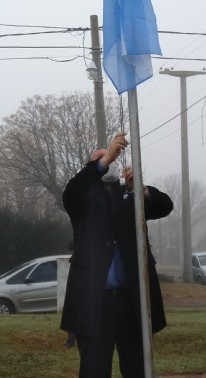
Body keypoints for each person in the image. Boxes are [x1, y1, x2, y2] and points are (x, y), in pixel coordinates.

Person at [61, 133, 174, 378]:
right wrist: (100, 164)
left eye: (111, 159)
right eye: (101, 159)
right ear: (91, 166)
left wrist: (141, 190)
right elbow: (71, 192)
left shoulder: (129, 196)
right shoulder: (82, 199)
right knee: (94, 369)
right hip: (95, 302)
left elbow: (165, 206)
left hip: (132, 301)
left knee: (137, 369)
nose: (109, 161)